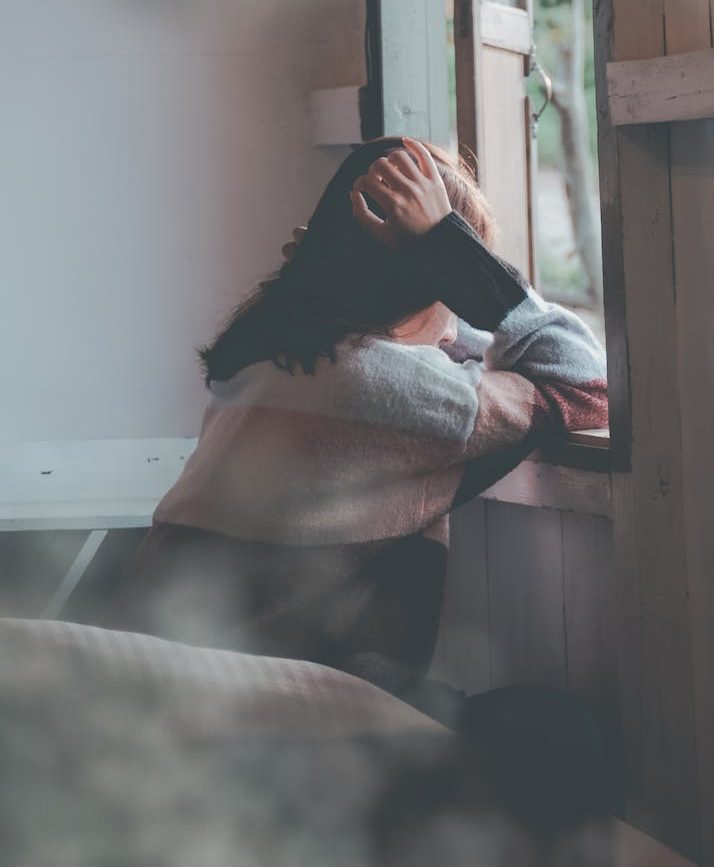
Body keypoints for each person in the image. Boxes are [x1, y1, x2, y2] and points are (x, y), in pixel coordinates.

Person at [99, 134, 613, 842]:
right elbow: (584, 381)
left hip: (151, 698)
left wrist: (393, 268)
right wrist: (456, 251)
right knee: (556, 737)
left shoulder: (267, 359)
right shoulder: (395, 390)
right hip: (264, 728)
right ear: (435, 277)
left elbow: (434, 352)